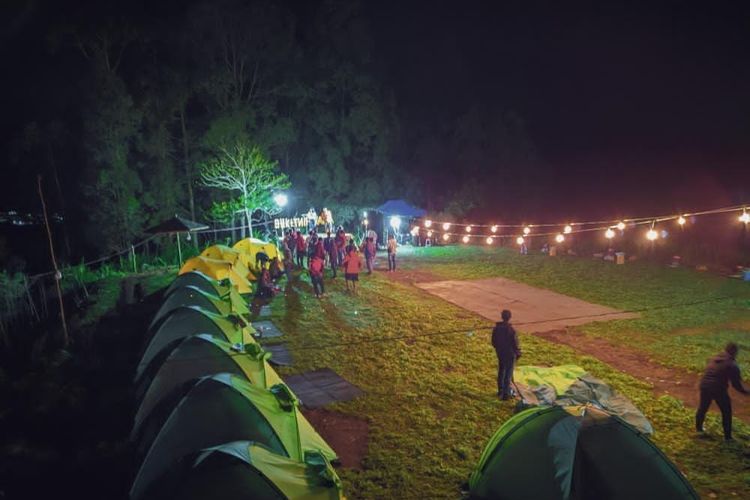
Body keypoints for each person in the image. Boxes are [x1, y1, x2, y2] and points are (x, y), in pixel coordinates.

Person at [695, 342, 749, 441]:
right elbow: (736, 385)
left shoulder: (714, 358)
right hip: (718, 388)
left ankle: (699, 430)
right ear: (734, 351)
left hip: (704, 385)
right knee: (726, 411)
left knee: (702, 408)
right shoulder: (732, 364)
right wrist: (747, 392)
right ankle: (728, 437)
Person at [491, 309, 521, 400]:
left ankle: (500, 390)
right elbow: (515, 343)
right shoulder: (511, 330)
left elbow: (493, 341)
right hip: (510, 354)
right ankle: (506, 394)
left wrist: (498, 348)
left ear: (502, 316)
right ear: (509, 317)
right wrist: (518, 352)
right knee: (508, 373)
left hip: (500, 352)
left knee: (501, 370)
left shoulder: (496, 328)